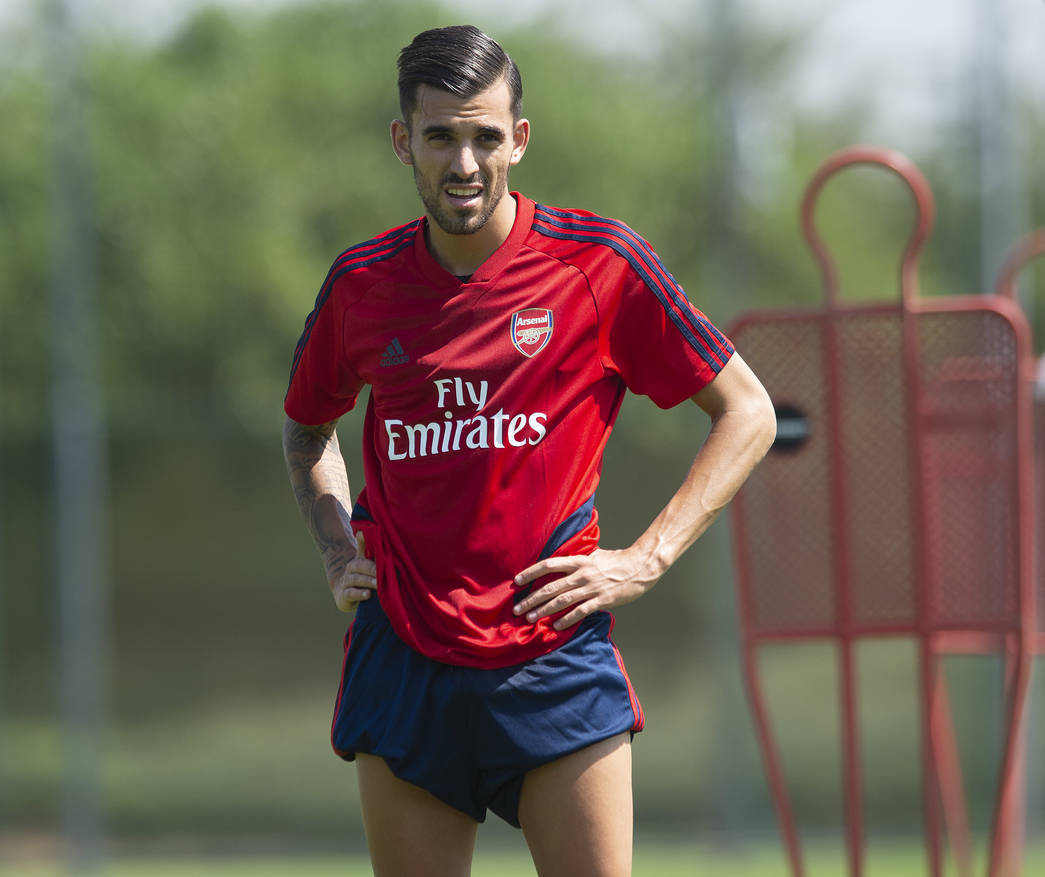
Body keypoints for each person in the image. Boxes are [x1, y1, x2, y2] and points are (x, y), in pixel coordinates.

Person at [282, 24, 776, 877]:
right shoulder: (361, 285)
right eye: (440, 136)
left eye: (483, 136)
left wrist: (645, 558)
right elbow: (305, 425)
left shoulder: (599, 263)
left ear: (518, 138)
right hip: (403, 651)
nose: (463, 163)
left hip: (552, 649)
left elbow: (747, 411)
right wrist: (334, 550)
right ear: (405, 142)